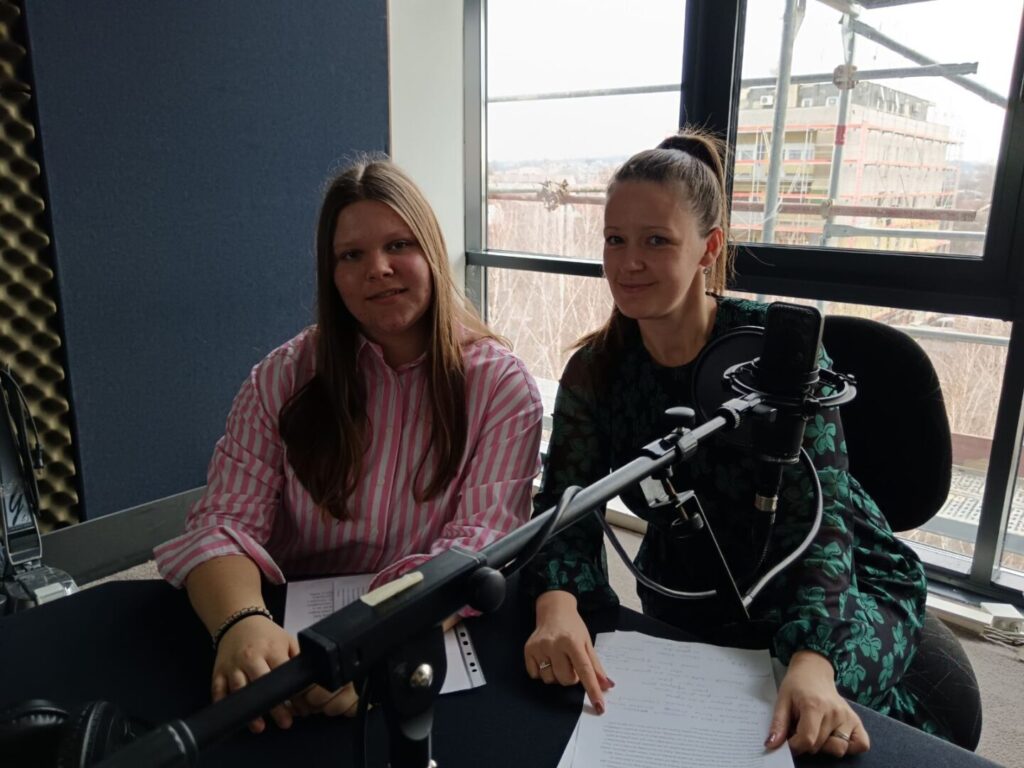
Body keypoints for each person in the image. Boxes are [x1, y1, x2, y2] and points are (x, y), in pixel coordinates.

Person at [522, 127, 940, 758]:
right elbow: (566, 502)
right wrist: (557, 602)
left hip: (838, 578)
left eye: (656, 240)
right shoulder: (597, 369)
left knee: (813, 725)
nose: (628, 263)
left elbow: (823, 524)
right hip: (691, 582)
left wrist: (814, 659)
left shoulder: (779, 351)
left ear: (708, 248)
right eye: (615, 240)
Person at [155, 157, 543, 733]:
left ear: (433, 253)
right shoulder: (282, 378)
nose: (378, 269)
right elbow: (223, 522)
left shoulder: (501, 387)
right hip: (283, 629)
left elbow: (479, 545)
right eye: (351, 255)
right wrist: (242, 624)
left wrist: (370, 643)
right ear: (331, 275)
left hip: (416, 623)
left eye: (398, 245)